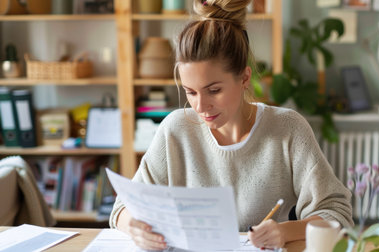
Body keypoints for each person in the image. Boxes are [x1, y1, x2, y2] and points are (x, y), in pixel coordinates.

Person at [110, 0, 353, 250]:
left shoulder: (288, 128)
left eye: (213, 90)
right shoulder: (175, 129)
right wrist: (134, 227)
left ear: (245, 77)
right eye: (190, 92)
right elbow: (121, 209)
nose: (201, 106)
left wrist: (283, 231)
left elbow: (336, 214)